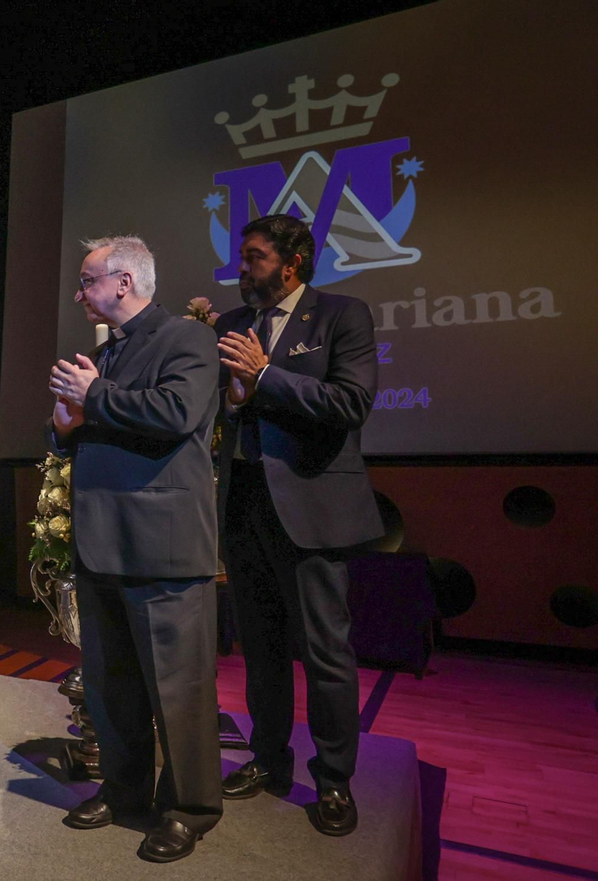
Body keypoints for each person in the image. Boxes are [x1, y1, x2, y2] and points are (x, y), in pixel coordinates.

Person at [49, 235, 223, 863]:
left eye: (87, 280)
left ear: (123, 283)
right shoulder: (113, 351)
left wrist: (92, 397)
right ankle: (123, 793)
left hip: (162, 548)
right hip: (103, 542)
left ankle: (190, 808)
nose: (79, 293)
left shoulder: (188, 339)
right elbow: (98, 425)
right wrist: (67, 427)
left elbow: (176, 413)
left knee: (178, 690)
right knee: (113, 685)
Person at [214, 213, 382, 836]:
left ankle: (334, 780)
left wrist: (263, 378)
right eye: (243, 255)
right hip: (244, 505)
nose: (242, 267)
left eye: (255, 257)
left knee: (325, 654)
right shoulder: (230, 325)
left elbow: (350, 404)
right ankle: (268, 760)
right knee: (260, 650)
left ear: (293, 263)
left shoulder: (342, 315)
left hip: (310, 510)